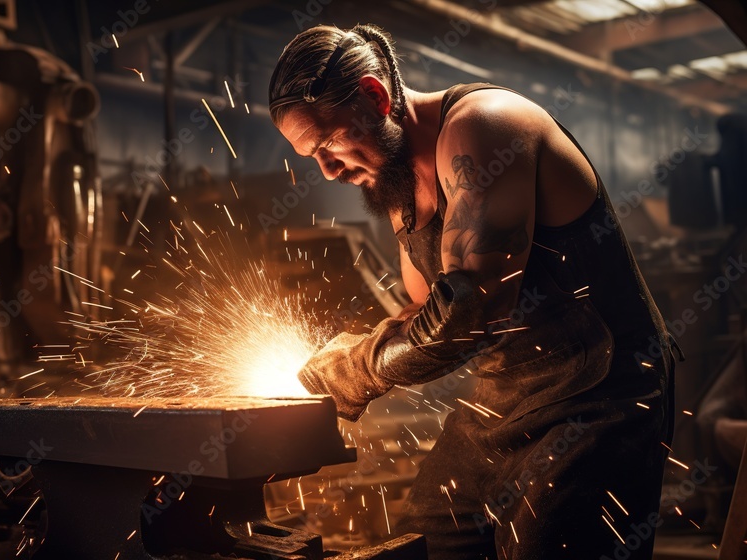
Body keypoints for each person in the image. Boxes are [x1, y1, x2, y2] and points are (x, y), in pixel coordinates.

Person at [269, 24, 679, 560]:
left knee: (548, 542)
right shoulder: (396, 181)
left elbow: (470, 309)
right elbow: (424, 310)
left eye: (328, 143)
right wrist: (352, 350)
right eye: (311, 156)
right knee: (429, 539)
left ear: (375, 95)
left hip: (599, 392)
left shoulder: (485, 128)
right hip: (502, 402)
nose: (326, 170)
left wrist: (359, 369)